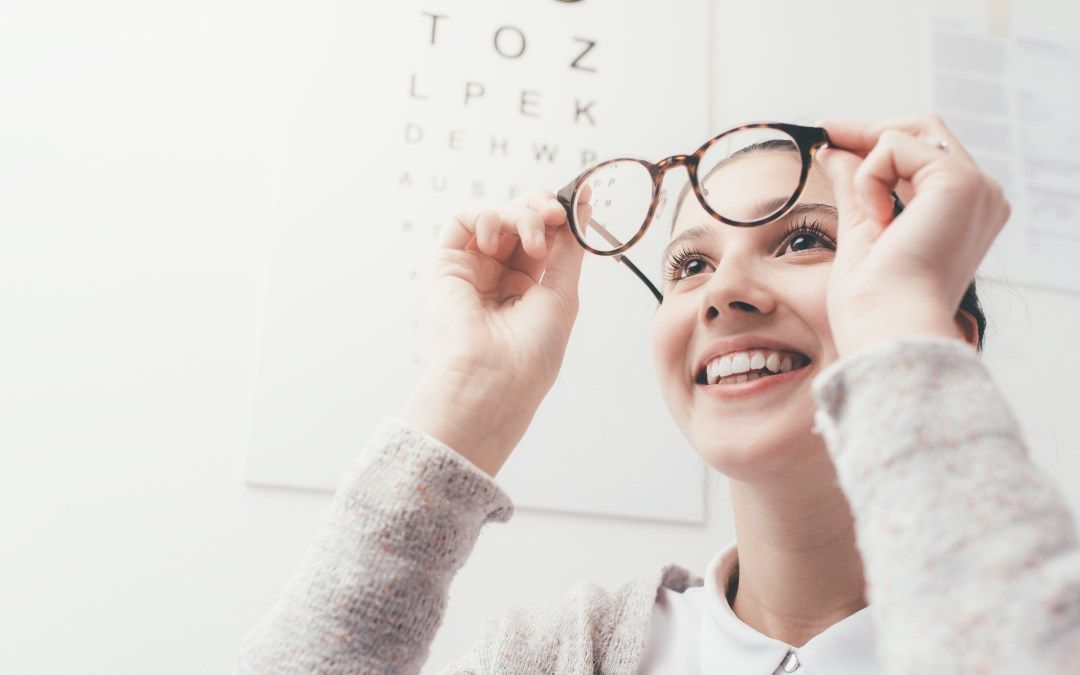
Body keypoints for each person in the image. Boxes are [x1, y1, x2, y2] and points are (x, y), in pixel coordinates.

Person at [237, 116, 1080, 673]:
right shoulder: (561, 654)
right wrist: (470, 395)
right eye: (690, 265)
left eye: (804, 239)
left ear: (943, 336)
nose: (723, 294)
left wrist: (898, 323)